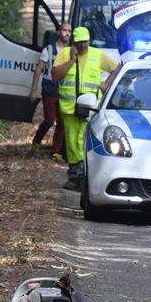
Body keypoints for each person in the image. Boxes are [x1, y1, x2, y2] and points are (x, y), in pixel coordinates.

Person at [52, 26, 121, 191]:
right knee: (71, 142)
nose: (83, 46)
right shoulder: (64, 53)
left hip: (89, 108)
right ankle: (75, 174)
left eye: (85, 42)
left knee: (83, 140)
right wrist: (70, 60)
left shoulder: (97, 54)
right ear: (74, 43)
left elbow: (116, 67)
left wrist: (105, 84)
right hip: (69, 107)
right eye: (79, 42)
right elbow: (55, 76)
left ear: (89, 41)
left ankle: (84, 175)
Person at [29, 23, 71, 160]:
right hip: (50, 90)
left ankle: (55, 151)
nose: (67, 33)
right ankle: (36, 141)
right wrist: (33, 90)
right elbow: (38, 70)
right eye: (64, 30)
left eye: (69, 31)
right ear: (59, 32)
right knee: (49, 120)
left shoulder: (71, 51)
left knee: (62, 122)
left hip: (65, 92)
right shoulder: (49, 49)